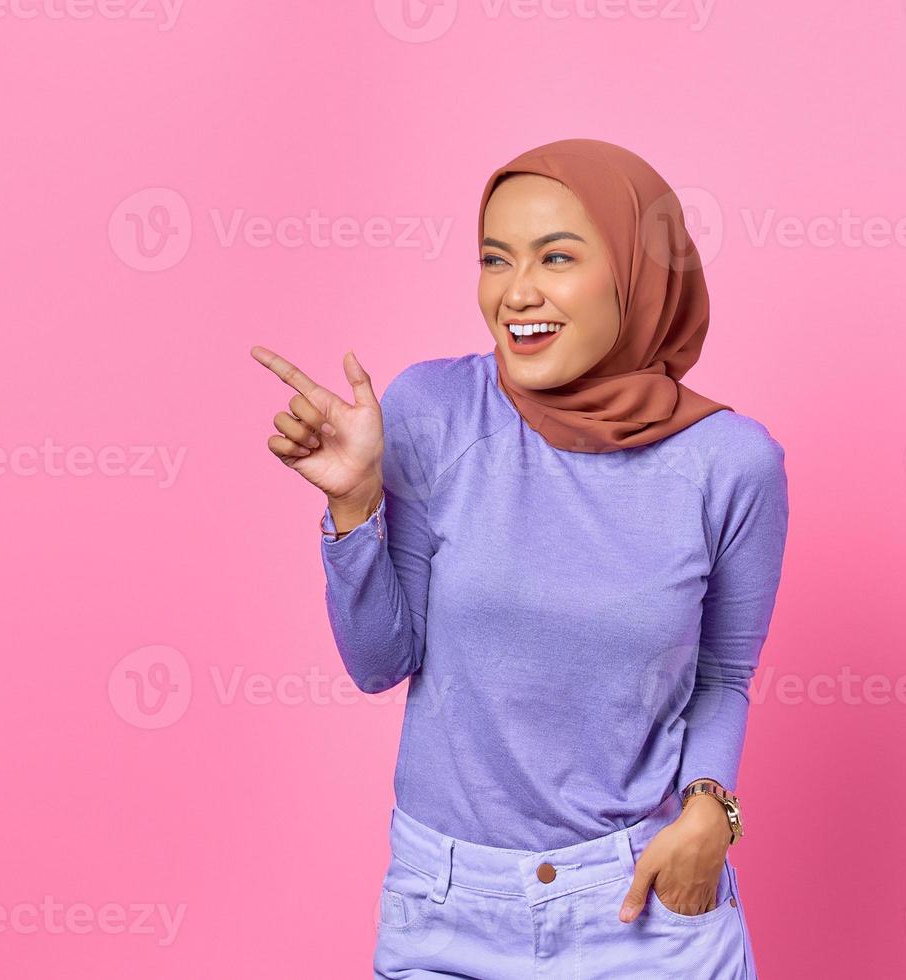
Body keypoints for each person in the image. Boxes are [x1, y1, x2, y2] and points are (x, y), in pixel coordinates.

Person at [250, 138, 788, 978]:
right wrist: (354, 506)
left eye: (558, 257)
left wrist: (709, 813)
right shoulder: (434, 412)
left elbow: (722, 675)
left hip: (643, 906)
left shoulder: (732, 463)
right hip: (448, 908)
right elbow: (379, 663)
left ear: (637, 278)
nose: (516, 292)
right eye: (494, 259)